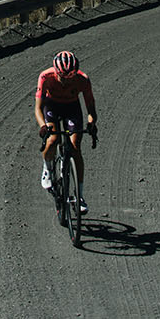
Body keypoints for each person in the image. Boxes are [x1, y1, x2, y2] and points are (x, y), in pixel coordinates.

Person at [35, 50, 98, 209]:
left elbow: (90, 107)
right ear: (56, 72)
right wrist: (43, 126)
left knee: (76, 147)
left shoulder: (83, 80)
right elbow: (38, 108)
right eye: (62, 78)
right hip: (52, 106)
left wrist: (91, 123)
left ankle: (79, 196)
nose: (66, 82)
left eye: (70, 78)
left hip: (72, 107)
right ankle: (47, 169)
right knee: (53, 139)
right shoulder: (45, 77)